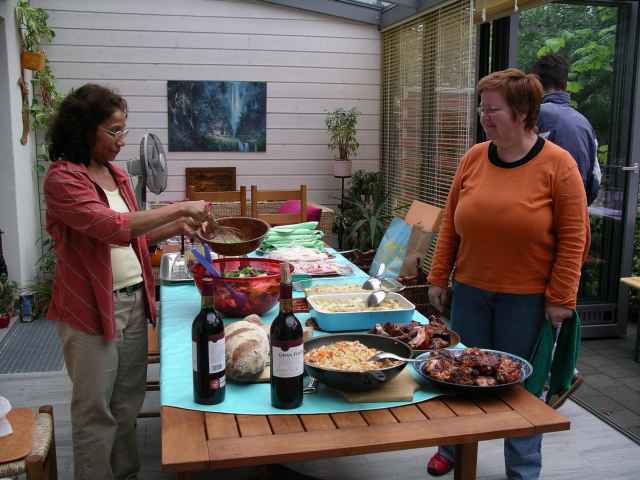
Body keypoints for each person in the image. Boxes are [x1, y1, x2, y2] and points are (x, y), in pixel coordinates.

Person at [425, 69, 590, 479]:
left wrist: (561, 299)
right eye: (483, 107)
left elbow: (575, 239)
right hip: (470, 294)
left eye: (493, 108)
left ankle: (522, 469)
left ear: (522, 112)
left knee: (520, 389)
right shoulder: (474, 158)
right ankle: (452, 448)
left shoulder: (558, 165)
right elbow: (451, 223)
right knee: (457, 378)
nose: (485, 115)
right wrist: (438, 277)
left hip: (527, 300)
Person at [44, 84, 209, 480]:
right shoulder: (63, 179)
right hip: (90, 310)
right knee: (95, 412)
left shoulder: (115, 175)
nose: (122, 141)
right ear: (84, 129)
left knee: (126, 405)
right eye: (113, 131)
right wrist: (181, 205)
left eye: (124, 131)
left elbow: (133, 236)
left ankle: (126, 474)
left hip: (134, 302)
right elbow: (110, 227)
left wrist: (177, 223)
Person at [531, 53, 600, 205]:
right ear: (565, 85)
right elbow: (595, 177)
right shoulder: (584, 122)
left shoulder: (533, 115)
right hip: (577, 210)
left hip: (541, 213)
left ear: (535, 82)